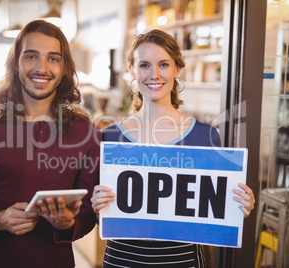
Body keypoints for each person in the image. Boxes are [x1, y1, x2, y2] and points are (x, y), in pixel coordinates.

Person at [91, 29, 255, 268]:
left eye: (164, 64)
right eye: (145, 65)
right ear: (132, 71)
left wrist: (237, 204)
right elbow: (101, 217)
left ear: (177, 69)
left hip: (183, 261)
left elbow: (212, 212)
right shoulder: (109, 137)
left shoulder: (205, 136)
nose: (154, 74)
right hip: (122, 261)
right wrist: (97, 206)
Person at [0, 19, 101, 268]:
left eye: (53, 58)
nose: (42, 68)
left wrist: (69, 224)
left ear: (64, 68)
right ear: (15, 64)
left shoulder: (87, 133)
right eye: (30, 56)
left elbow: (89, 215)